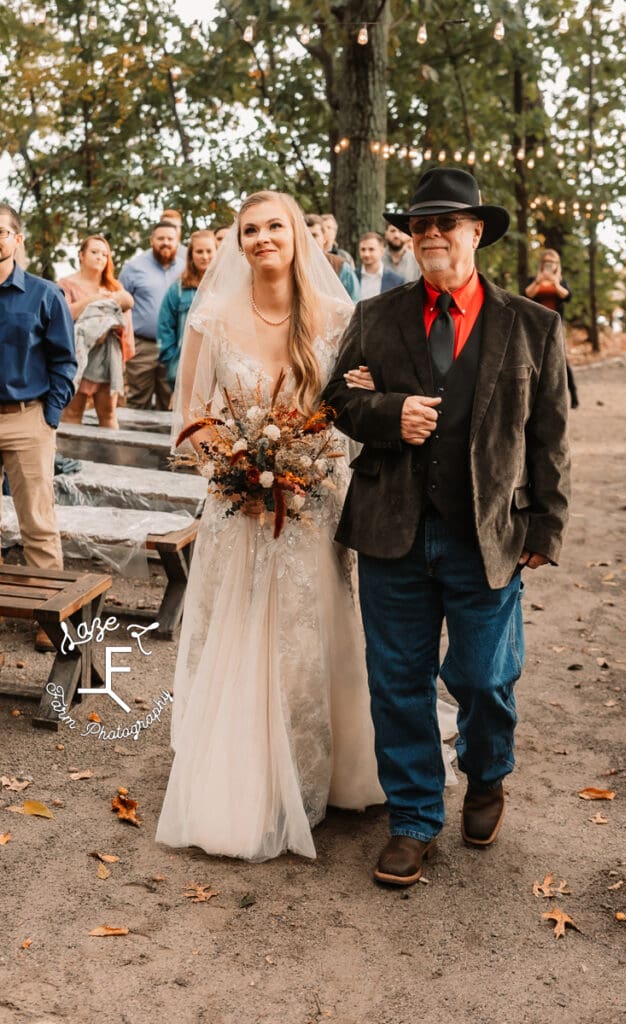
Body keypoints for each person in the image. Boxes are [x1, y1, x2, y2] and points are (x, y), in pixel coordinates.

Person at [325, 168, 571, 885]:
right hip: (390, 528)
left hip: (487, 533)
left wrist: (544, 529)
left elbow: (550, 437)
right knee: (396, 680)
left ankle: (487, 772)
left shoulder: (532, 325)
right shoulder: (375, 317)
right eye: (421, 225)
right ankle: (412, 818)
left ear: (475, 234)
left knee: (484, 678)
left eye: (447, 224)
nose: (432, 235)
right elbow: (335, 399)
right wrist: (386, 412)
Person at [156, 191, 384, 861]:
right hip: (240, 512)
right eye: (249, 229)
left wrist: (298, 467)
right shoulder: (213, 318)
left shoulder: (339, 319)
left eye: (273, 226)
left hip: (314, 507)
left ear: (297, 235)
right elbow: (190, 421)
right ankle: (246, 780)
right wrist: (234, 475)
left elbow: (352, 413)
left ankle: (331, 769)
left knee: (311, 633)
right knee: (247, 630)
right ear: (237, 242)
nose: (262, 238)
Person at [0, 202, 77, 652]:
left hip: (27, 417)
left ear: (17, 239)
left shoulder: (44, 295)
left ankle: (50, 617)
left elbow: (65, 361)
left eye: (1, 231)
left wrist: (49, 416)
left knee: (38, 522)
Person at [58, 236, 135, 428]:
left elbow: (125, 324)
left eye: (104, 254)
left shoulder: (115, 288)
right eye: (94, 252)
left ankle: (111, 456)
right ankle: (68, 456)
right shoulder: (65, 284)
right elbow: (65, 314)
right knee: (72, 412)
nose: (100, 257)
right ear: (81, 255)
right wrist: (95, 299)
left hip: (107, 356)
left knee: (108, 414)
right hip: (77, 353)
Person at [119, 221, 185, 409]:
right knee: (137, 401)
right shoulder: (133, 267)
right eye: (161, 238)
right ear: (151, 240)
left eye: (170, 239)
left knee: (170, 402)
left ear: (177, 241)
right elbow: (120, 307)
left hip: (173, 346)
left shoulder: (185, 269)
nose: (165, 242)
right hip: (142, 346)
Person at [158, 230, 217, 393]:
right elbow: (165, 327)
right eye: (199, 251)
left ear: (217, 252)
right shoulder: (178, 289)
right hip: (184, 368)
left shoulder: (226, 288)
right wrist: (172, 361)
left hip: (217, 369)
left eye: (209, 251)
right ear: (191, 255)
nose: (205, 256)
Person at [524, 248, 578, 409]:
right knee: (535, 359)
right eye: (547, 262)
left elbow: (567, 296)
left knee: (561, 359)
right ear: (542, 264)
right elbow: (526, 295)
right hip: (536, 324)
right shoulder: (534, 279)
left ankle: (573, 394)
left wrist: (554, 282)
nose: (549, 265)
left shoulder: (561, 281)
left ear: (557, 265)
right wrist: (538, 281)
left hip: (556, 324)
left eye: (552, 263)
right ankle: (536, 398)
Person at [305, 214, 359, 302]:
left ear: (324, 238)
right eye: (305, 236)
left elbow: (356, 305)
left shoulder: (340, 266)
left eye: (314, 235)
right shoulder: (289, 266)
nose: (310, 240)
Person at [356, 232, 404, 299]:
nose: (366, 254)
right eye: (363, 249)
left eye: (371, 249)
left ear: (382, 251)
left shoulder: (397, 281)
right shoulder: (352, 276)